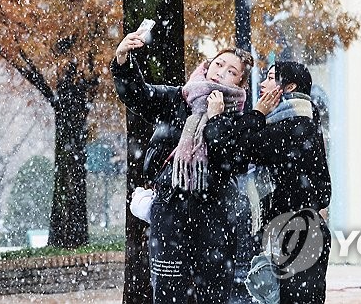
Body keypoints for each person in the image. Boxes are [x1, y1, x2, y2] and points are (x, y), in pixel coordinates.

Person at [112, 27, 281, 304]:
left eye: (230, 71)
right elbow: (137, 94)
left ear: (239, 85)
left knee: (212, 295)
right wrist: (122, 59)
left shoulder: (238, 120)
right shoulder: (179, 99)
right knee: (168, 294)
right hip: (170, 210)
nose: (221, 71)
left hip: (214, 216)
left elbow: (230, 160)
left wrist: (217, 119)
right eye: (218, 64)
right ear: (206, 66)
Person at [247, 61, 332, 304]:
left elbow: (241, 148)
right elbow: (322, 191)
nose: (263, 84)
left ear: (290, 86)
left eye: (272, 78)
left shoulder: (293, 125)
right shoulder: (303, 121)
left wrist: (256, 114)